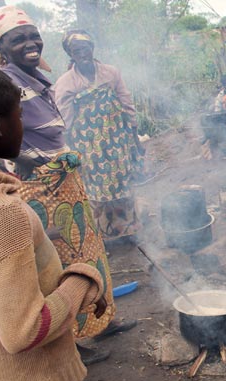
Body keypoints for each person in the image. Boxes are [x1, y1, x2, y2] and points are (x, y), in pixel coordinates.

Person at [0, 6, 134, 365]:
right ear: (1, 46)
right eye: (17, 38)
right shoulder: (4, 82)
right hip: (40, 186)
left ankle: (101, 320)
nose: (30, 43)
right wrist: (34, 164)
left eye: (33, 36)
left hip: (64, 180)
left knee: (89, 250)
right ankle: (73, 337)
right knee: (59, 263)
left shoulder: (37, 79)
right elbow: (9, 142)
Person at [0, 66, 107, 381]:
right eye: (21, 115)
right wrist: (83, 281)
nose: (23, 125)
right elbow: (24, 330)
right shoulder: (4, 214)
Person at [54, 29, 142, 241]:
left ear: (92, 49)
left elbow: (126, 103)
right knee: (96, 190)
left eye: (86, 49)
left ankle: (129, 231)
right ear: (71, 54)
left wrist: (135, 137)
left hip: (118, 140)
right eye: (77, 51)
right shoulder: (66, 82)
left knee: (124, 184)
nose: (83, 54)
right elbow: (65, 119)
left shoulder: (110, 73)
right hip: (89, 145)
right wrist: (69, 149)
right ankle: (102, 237)